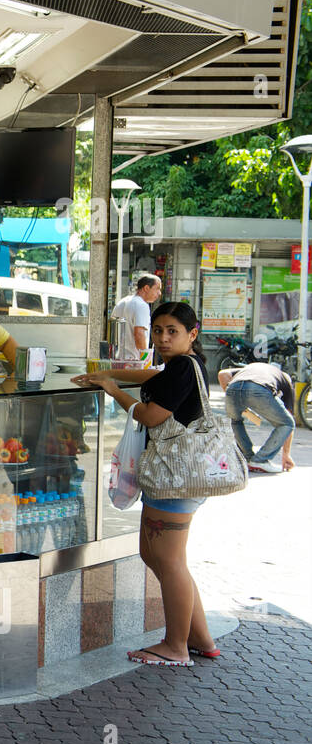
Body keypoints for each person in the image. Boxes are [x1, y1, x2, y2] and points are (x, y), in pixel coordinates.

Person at [74, 302, 218, 666]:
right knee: (166, 560)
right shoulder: (180, 366)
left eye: (173, 331)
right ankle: (201, 638)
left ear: (192, 334)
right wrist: (107, 373)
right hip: (176, 479)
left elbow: (151, 416)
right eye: (158, 330)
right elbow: (151, 377)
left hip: (176, 480)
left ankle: (176, 646)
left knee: (168, 562)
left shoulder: (183, 367)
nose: (164, 337)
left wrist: (112, 390)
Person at [218, 362, 296, 474]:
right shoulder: (285, 379)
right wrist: (286, 454)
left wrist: (237, 398)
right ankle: (260, 460)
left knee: (234, 421)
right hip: (259, 388)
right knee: (287, 423)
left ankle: (247, 458)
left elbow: (223, 374)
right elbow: (288, 420)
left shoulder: (251, 367)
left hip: (233, 387)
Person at [110, 274, 163, 363]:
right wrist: (145, 360)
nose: (159, 293)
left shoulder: (122, 302)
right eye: (157, 289)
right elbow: (139, 334)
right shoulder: (142, 305)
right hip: (134, 361)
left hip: (117, 359)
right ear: (146, 288)